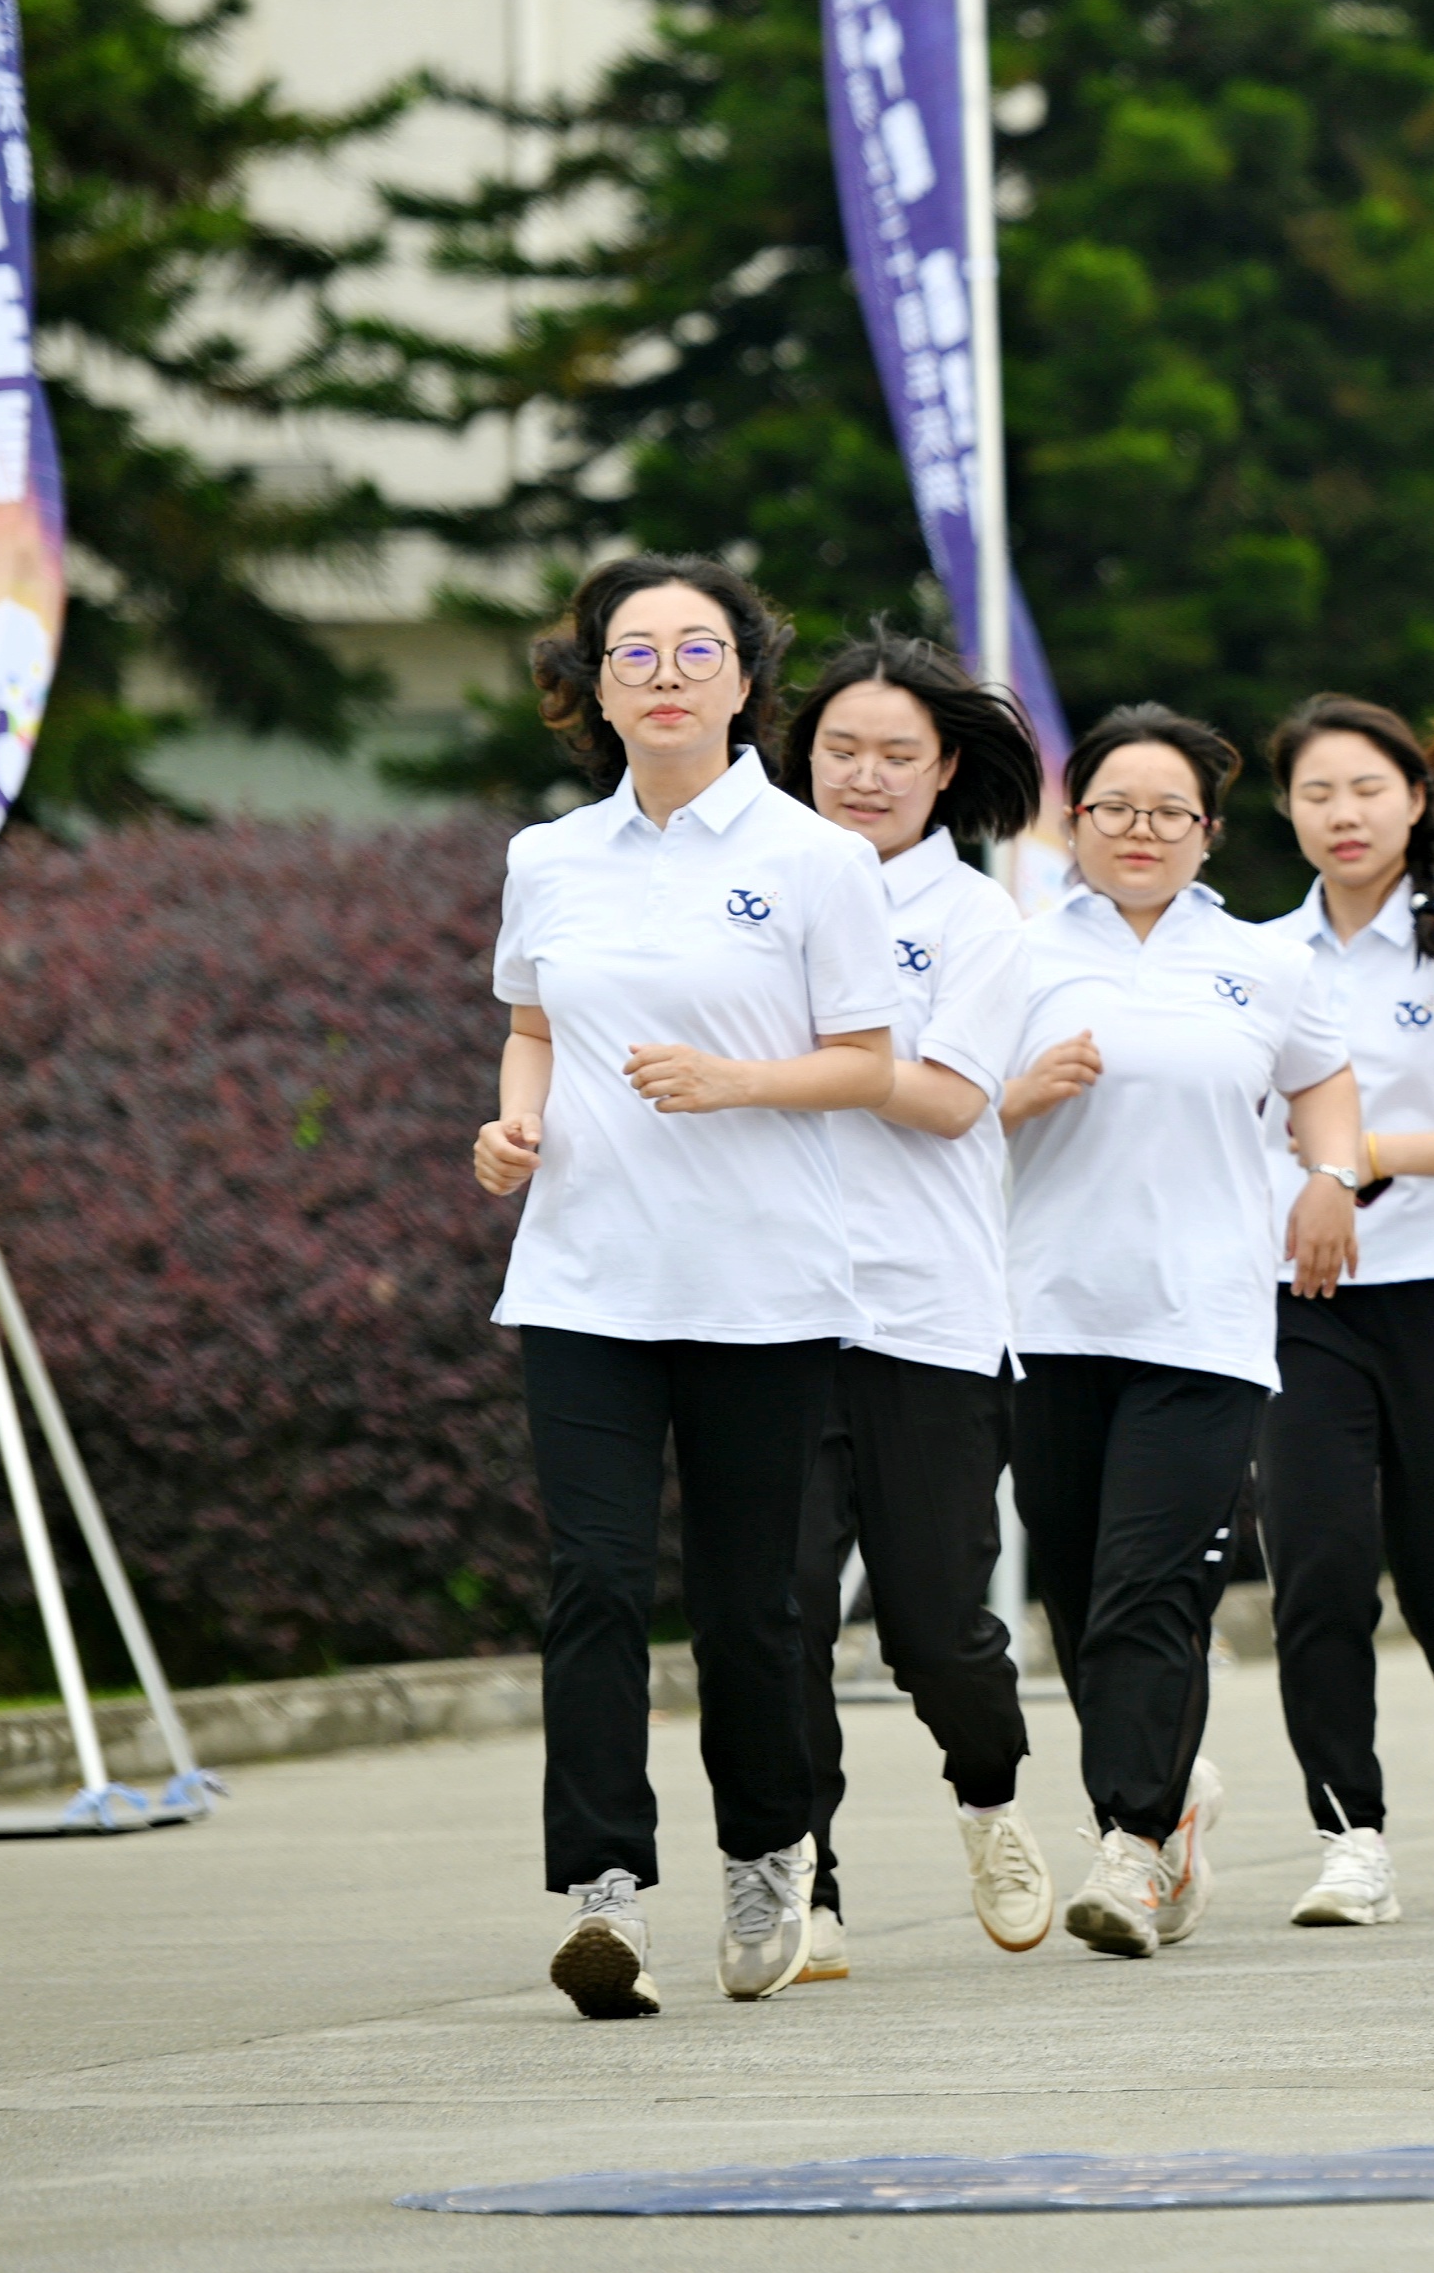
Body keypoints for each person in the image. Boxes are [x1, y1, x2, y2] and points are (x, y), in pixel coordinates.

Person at [477, 555, 900, 2018]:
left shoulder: (813, 859)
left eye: (695, 649)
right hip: (586, 1274)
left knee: (749, 1606)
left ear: (744, 679)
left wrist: (737, 1080)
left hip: (760, 1286)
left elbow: (871, 1063)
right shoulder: (550, 859)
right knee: (590, 1579)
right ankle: (604, 1891)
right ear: (592, 685)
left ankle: (767, 1853)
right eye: (632, 651)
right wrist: (512, 1120)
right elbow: (534, 1025)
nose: (664, 672)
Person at [998, 703, 1373, 1956]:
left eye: (1169, 812)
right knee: (1073, 1592)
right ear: (1074, 822)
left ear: (1209, 833)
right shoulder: (1013, 952)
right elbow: (936, 1110)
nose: (1141, 831)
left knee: (1149, 1589)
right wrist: (1017, 1092)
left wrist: (1329, 1175)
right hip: (1042, 1313)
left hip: (1204, 1320)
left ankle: (1131, 1841)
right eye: (1115, 809)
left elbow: (1321, 1082)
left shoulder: (1264, 960)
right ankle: (1166, 1804)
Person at [780, 627, 1052, 1977]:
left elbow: (948, 1101)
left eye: (897, 753)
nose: (865, 774)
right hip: (763, 1308)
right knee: (775, 1613)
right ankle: (802, 1884)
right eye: (841, 749)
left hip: (926, 1317)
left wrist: (785, 1066)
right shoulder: (755, 889)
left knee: (935, 1628)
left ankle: (992, 1800)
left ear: (947, 769)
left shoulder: (975, 920)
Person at [1257, 696, 1434, 1932]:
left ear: (1416, 800)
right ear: (1287, 813)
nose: (1343, 814)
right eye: (1316, 793)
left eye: (1366, 788)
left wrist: (1368, 1156)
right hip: (1302, 1301)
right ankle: (1348, 1836)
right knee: (1314, 1572)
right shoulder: (1262, 957)